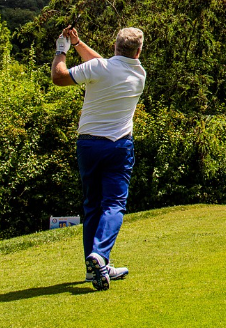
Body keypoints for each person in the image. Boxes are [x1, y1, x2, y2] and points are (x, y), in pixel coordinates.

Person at [51, 26, 146, 291]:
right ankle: (100, 257)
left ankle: (93, 268)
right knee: (114, 204)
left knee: (92, 205)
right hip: (119, 147)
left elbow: (59, 77)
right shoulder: (139, 73)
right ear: (138, 51)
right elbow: (100, 64)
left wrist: (62, 49)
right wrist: (78, 43)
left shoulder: (100, 68)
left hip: (89, 145)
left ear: (115, 46)